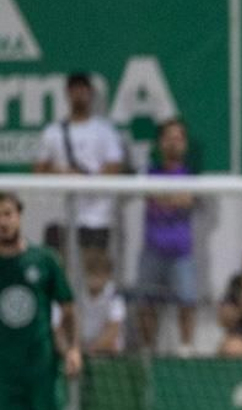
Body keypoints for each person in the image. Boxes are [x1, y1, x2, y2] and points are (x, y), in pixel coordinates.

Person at [0, 192, 96, 410]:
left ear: (19, 216)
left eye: (8, 213)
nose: (3, 221)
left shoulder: (44, 260)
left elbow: (68, 308)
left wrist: (72, 349)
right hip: (4, 372)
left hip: (41, 365)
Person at [32, 72, 126, 258]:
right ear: (67, 93)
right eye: (74, 90)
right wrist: (61, 174)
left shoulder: (104, 130)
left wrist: (86, 179)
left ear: (90, 93)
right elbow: (39, 169)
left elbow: (115, 166)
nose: (79, 95)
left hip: (97, 214)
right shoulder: (53, 132)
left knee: (95, 264)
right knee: (58, 261)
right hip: (60, 213)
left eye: (83, 90)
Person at [134, 117, 199, 355]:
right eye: (168, 138)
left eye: (178, 138)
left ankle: (185, 348)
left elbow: (186, 200)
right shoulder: (149, 171)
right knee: (145, 303)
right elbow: (150, 195)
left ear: (185, 143)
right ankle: (147, 349)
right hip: (152, 250)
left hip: (181, 252)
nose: (173, 143)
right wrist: (171, 197)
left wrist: (162, 196)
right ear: (160, 143)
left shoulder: (190, 174)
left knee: (187, 301)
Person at [78, 251, 126, 356]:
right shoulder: (79, 293)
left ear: (107, 276)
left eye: (98, 276)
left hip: (108, 351)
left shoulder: (115, 297)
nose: (94, 280)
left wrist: (94, 348)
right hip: (84, 346)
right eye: (91, 275)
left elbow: (114, 328)